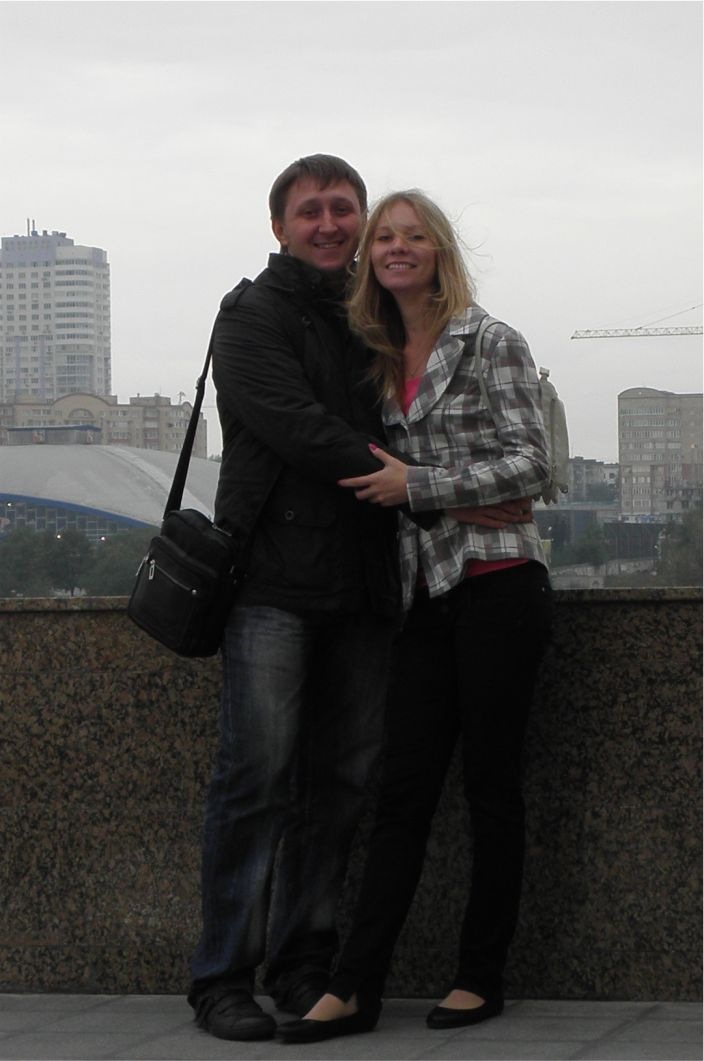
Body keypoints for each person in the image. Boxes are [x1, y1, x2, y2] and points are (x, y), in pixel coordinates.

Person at [187, 160, 529, 1043]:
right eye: (312, 211)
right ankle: (222, 976)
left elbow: (428, 428)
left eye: (345, 209)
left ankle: (305, 964)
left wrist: (431, 487)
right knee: (256, 781)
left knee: (342, 786)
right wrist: (423, 487)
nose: (331, 224)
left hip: (372, 586)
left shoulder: (369, 319)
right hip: (273, 582)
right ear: (279, 226)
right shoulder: (250, 315)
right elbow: (297, 426)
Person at [277, 190, 553, 1044]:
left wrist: (420, 487)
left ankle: (480, 975)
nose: (398, 247)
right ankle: (353, 986)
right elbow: (393, 482)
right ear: (370, 257)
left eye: (415, 236)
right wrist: (443, 496)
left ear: (440, 251)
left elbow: (533, 463)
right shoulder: (373, 356)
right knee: (401, 793)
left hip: (499, 585)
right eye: (385, 237)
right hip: (423, 594)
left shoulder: (490, 339)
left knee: (491, 787)